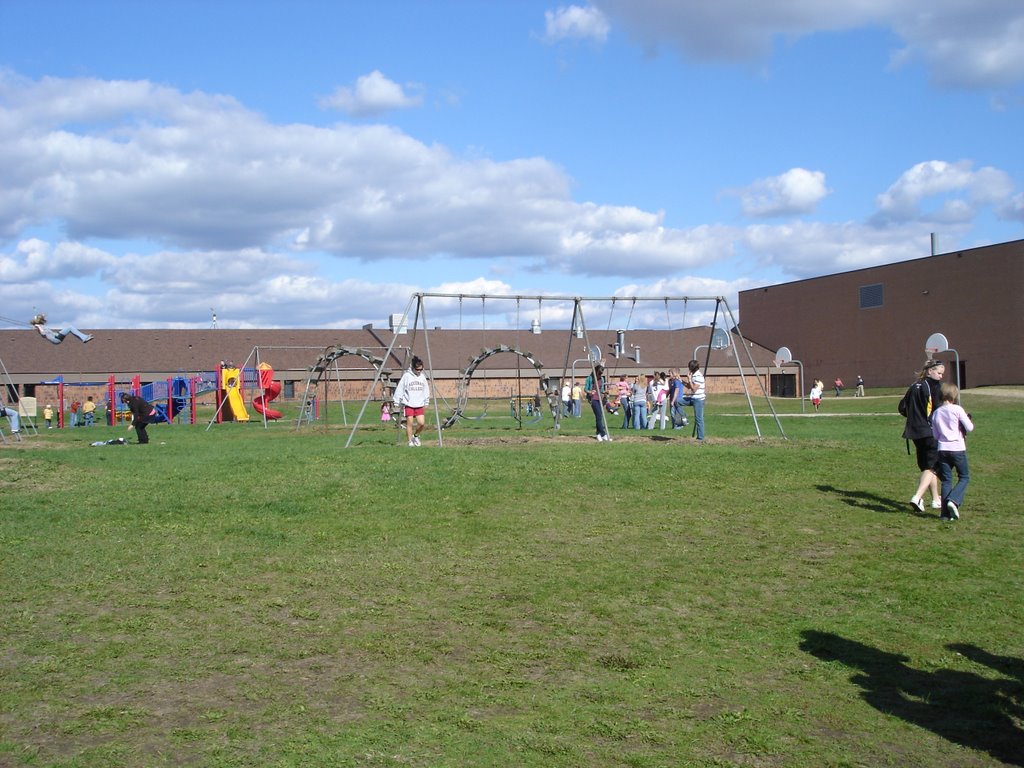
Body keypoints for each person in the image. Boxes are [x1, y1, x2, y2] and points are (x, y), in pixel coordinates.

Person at [901, 360, 945, 513]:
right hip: (929, 431)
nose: (940, 376)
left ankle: (935, 499)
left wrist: (914, 417)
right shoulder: (934, 386)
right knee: (932, 466)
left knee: (927, 466)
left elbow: (902, 407)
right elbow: (939, 411)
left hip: (914, 432)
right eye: (939, 373)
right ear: (929, 371)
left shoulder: (914, 386)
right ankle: (917, 497)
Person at [931, 382, 973, 520]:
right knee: (964, 477)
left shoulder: (936, 412)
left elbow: (935, 435)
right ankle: (954, 500)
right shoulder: (957, 409)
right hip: (957, 448)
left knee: (946, 480)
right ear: (954, 395)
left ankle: (944, 515)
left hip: (942, 449)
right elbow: (969, 427)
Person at [393, 356, 430, 446]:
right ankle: (410, 441)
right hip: (409, 404)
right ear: (413, 368)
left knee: (421, 423)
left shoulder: (422, 377)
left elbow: (426, 389)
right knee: (409, 422)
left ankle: (416, 436)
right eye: (417, 369)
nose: (419, 371)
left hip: (419, 404)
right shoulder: (407, 376)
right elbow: (400, 388)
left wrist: (426, 401)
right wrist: (396, 401)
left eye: (421, 369)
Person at [679, 359, 707, 441]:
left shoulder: (698, 376)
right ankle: (684, 418)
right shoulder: (694, 375)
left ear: (691, 368)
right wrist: (681, 380)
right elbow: (689, 387)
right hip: (693, 398)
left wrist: (689, 379)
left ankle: (700, 437)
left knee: (699, 418)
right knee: (678, 402)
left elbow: (694, 389)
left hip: (698, 400)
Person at [587, 364, 611, 441]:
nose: (600, 375)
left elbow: (601, 390)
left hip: (600, 399)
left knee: (599, 416)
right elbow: (585, 389)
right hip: (593, 399)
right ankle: (603, 434)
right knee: (598, 415)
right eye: (599, 373)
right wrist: (590, 391)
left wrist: (605, 392)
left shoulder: (602, 379)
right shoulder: (590, 378)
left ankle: (598, 434)